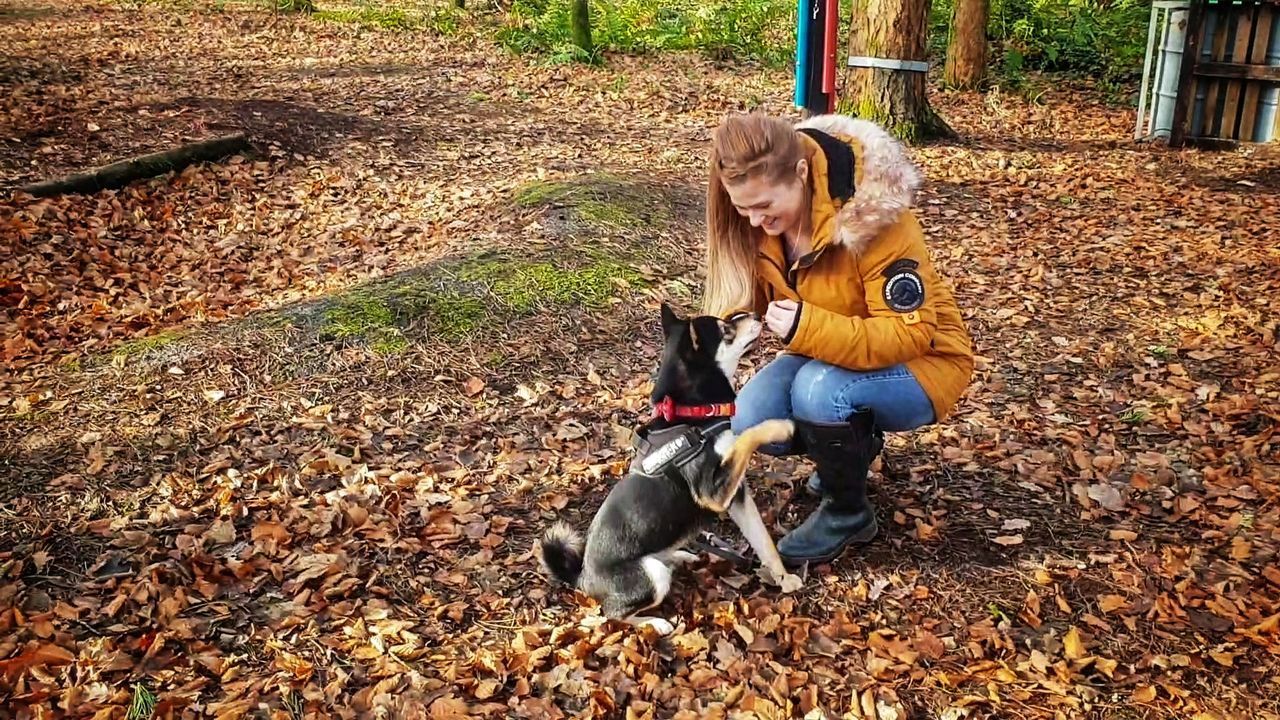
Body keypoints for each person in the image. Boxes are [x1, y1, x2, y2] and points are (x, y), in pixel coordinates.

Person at [701, 111, 974, 566]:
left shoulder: (875, 216)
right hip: (826, 353)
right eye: (742, 208)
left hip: (924, 361)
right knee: (750, 417)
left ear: (802, 174)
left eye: (764, 206)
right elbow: (738, 307)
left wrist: (806, 326)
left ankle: (848, 511)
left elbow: (911, 332)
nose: (753, 221)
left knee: (820, 391)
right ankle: (854, 446)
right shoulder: (762, 225)